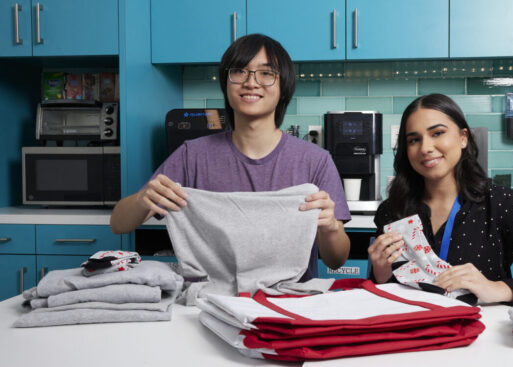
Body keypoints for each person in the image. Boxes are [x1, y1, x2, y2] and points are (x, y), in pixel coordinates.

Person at [110, 34, 350, 279]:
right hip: (211, 303)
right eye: (239, 72)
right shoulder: (191, 156)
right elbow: (119, 224)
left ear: (284, 87)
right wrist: (144, 198)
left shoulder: (316, 161)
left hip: (288, 304)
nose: (251, 82)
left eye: (266, 74)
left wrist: (330, 228)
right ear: (226, 83)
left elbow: (336, 259)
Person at [368, 93, 513, 305]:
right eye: (414, 140)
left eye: (437, 133)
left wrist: (499, 288)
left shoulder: (500, 203)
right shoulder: (392, 210)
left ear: (463, 138)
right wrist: (380, 274)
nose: (425, 148)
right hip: (413, 333)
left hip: (481, 334)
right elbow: (382, 291)